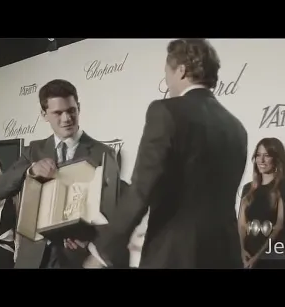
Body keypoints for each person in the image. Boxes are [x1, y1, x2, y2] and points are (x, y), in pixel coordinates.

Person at [86, 39, 248, 269]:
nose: (167, 82)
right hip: (225, 255)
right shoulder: (236, 127)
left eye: (167, 73)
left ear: (181, 71)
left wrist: (103, 250)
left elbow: (142, 189)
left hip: (175, 255)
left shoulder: (165, 111)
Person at [0, 79, 120, 268]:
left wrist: (88, 240)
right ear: (44, 114)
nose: (66, 118)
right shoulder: (33, 150)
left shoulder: (104, 153)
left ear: (79, 107)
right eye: (58, 113)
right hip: (32, 260)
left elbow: (114, 214)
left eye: (71, 110)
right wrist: (30, 170)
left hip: (76, 259)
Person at [238, 138, 285, 269]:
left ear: (276, 159)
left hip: (272, 255)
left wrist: (258, 256)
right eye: (258, 155)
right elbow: (241, 225)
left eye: (266, 155)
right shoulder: (248, 188)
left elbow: (279, 227)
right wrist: (241, 251)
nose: (261, 160)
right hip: (247, 253)